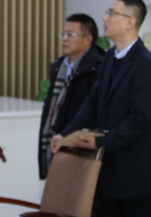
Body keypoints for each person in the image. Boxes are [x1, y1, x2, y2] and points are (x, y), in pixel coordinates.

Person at [53, 0, 151, 217]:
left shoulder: (146, 66)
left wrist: (102, 141)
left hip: (137, 170)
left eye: (111, 13)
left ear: (130, 22)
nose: (104, 18)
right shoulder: (109, 59)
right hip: (107, 168)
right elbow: (92, 103)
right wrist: (66, 134)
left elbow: (140, 121)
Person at [38, 13, 104, 180]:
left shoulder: (98, 68)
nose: (64, 39)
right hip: (56, 137)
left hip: (80, 143)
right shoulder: (58, 66)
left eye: (70, 34)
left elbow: (94, 110)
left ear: (88, 39)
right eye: (63, 34)